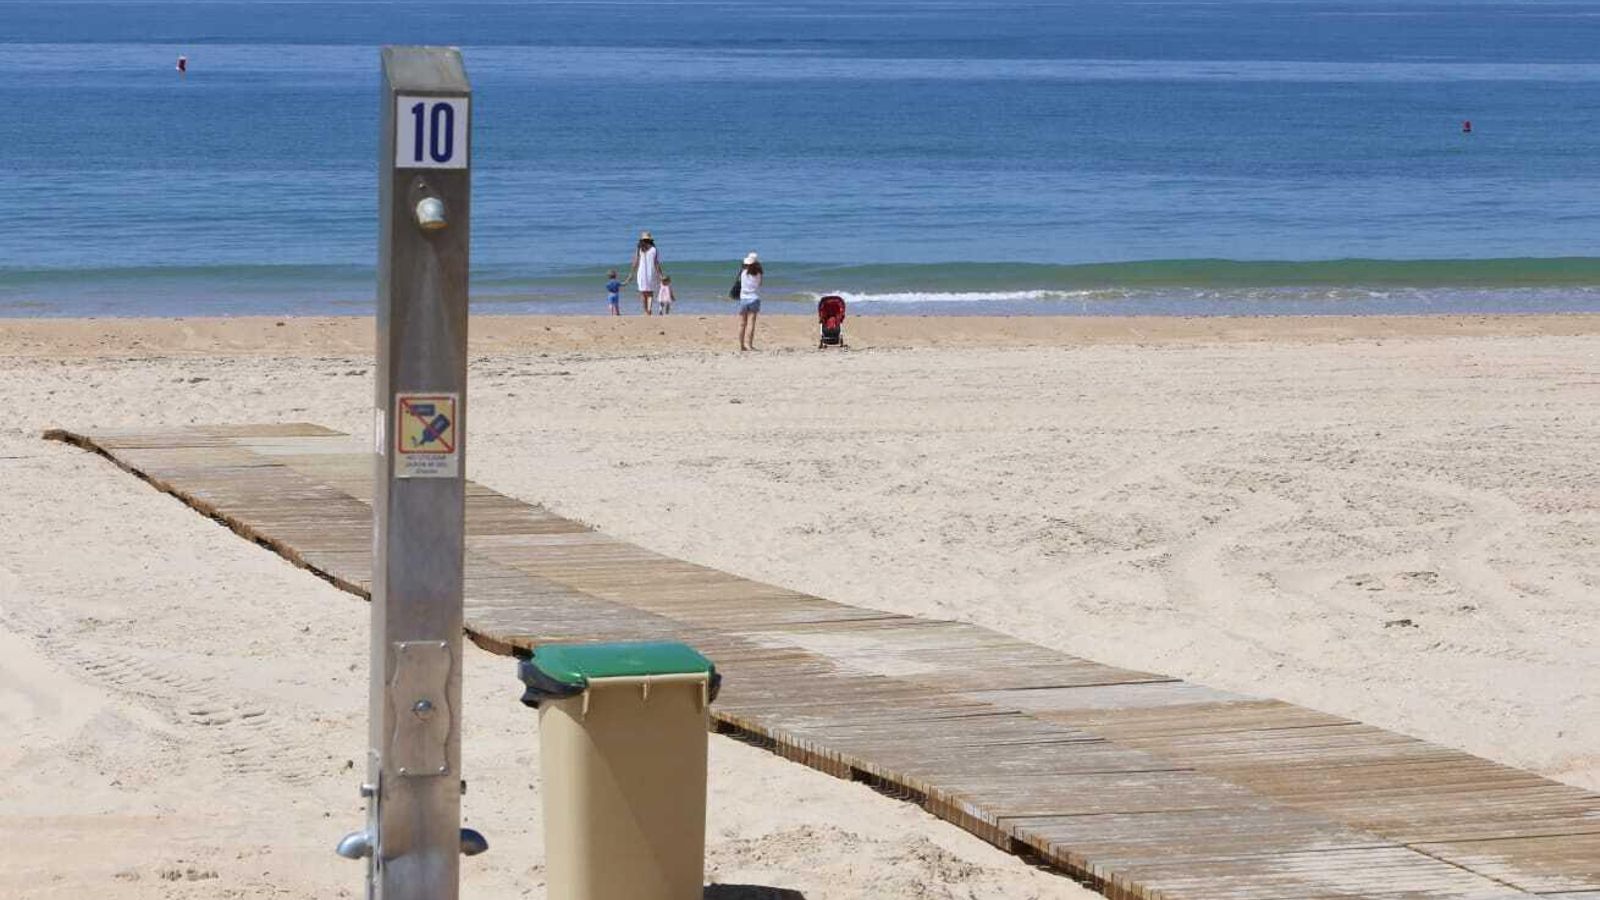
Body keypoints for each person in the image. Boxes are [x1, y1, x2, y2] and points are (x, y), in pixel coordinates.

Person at [625, 231, 662, 315]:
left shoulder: (639, 249)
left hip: (641, 273)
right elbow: (656, 263)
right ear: (650, 240)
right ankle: (649, 309)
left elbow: (635, 261)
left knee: (643, 293)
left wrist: (631, 273)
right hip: (651, 273)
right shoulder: (654, 249)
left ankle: (646, 311)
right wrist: (660, 275)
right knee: (650, 293)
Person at [736, 252, 762, 351]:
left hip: (743, 299)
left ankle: (741, 345)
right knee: (751, 323)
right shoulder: (758, 274)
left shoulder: (742, 273)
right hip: (754, 298)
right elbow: (759, 285)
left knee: (742, 323)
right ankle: (750, 345)